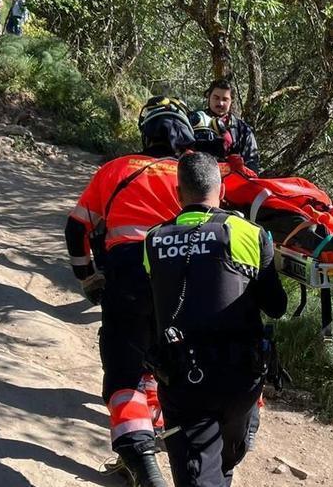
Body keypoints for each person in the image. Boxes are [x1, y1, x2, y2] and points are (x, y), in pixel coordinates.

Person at [64, 96, 196, 487]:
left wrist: (88, 278)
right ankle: (157, 440)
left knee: (125, 372)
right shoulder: (196, 173)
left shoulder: (116, 169)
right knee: (164, 361)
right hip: (181, 282)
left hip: (127, 279)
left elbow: (76, 229)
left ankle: (141, 459)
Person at [143, 152, 287, 487]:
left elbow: (155, 300)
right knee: (224, 459)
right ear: (221, 191)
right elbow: (276, 306)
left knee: (199, 472)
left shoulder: (153, 240)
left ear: (179, 194)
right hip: (241, 379)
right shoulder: (248, 233)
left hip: (183, 378)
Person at [195, 79, 260, 173]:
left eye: (225, 99)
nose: (220, 103)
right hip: (197, 178)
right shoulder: (194, 121)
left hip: (231, 181)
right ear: (209, 97)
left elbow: (252, 162)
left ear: (231, 101)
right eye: (216, 98)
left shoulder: (242, 129)